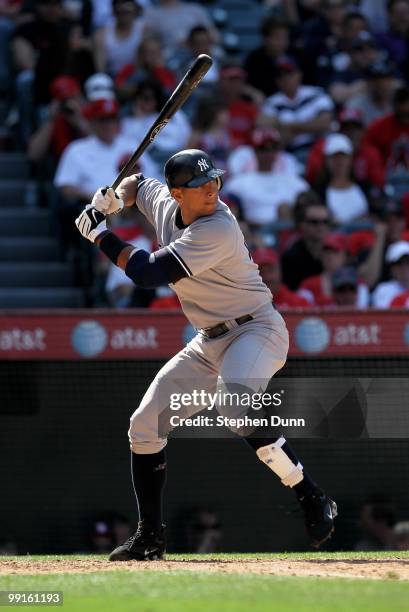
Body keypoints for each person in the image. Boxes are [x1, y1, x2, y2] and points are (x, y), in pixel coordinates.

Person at [74, 148, 337, 560]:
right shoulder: (164, 201)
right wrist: (111, 200)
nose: (212, 188)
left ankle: (309, 494)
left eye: (214, 180)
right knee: (144, 426)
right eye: (200, 184)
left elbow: (147, 274)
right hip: (208, 340)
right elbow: (138, 182)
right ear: (178, 194)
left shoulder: (219, 226)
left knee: (233, 408)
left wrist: (100, 233)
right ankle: (150, 537)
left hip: (256, 328)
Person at [224, 128, 308, 226]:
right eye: (263, 148)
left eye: (273, 148)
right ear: (255, 151)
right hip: (251, 233)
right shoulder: (238, 183)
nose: (268, 153)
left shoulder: (294, 182)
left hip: (285, 232)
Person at [258, 55, 333, 161]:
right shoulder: (271, 103)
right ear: (276, 80)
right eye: (280, 75)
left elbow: (325, 123)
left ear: (299, 74)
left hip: (319, 149)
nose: (285, 78)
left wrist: (291, 127)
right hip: (289, 154)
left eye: (289, 73)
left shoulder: (316, 93)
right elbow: (266, 129)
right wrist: (311, 125)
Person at [313, 133, 369, 224]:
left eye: (343, 156)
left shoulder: (366, 187)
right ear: (327, 161)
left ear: (351, 159)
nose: (339, 161)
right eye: (334, 157)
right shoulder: (318, 192)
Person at [371, 240, 409, 307]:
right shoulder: (383, 290)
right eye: (399, 263)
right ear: (391, 268)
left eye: (408, 262)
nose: (405, 267)